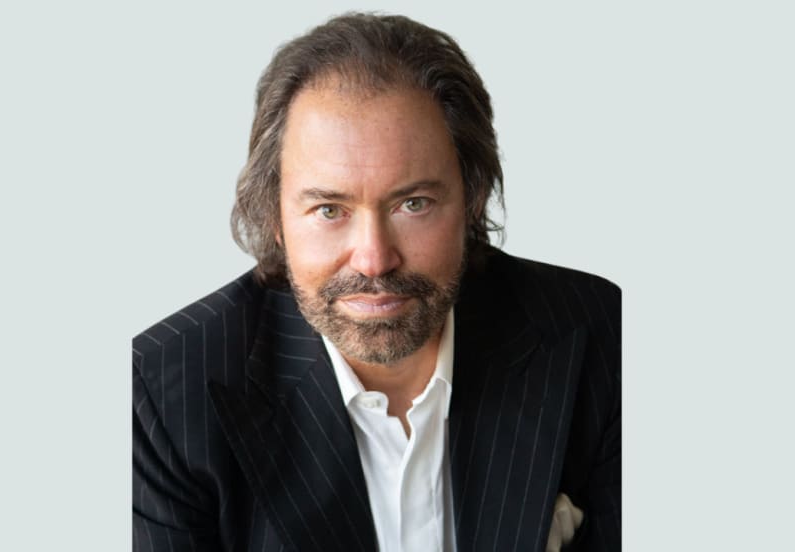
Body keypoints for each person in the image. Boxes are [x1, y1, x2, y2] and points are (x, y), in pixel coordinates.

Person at [133, 12, 620, 552]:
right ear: (275, 215)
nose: (374, 260)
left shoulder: (602, 334)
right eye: (328, 209)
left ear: (473, 198)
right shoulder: (161, 391)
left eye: (414, 204)